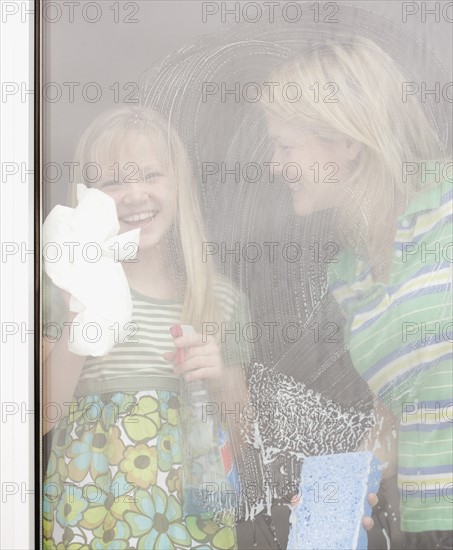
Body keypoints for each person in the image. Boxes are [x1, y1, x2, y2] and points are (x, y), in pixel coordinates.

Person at [262, 36, 452, 548]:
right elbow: (391, 417)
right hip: (429, 527)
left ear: (346, 140)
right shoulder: (350, 276)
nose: (274, 166)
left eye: (285, 145)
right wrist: (336, 499)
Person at [42, 106, 251, 549]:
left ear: (180, 188)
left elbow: (244, 436)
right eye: (113, 182)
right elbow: (41, 417)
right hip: (92, 519)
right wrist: (83, 311)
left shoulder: (219, 301)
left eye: (151, 175)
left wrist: (220, 376)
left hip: (190, 528)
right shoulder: (61, 289)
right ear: (86, 197)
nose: (134, 194)